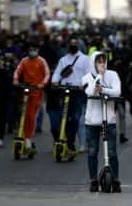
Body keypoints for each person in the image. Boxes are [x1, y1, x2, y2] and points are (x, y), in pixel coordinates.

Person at [82, 52, 122, 192]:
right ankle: (93, 179)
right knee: (92, 151)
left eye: (103, 61)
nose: (102, 64)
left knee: (112, 152)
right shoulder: (86, 77)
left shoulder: (113, 75)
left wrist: (104, 89)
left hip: (108, 118)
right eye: (98, 61)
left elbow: (117, 91)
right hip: (92, 121)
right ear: (93, 63)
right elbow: (90, 92)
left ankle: (116, 179)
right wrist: (99, 77)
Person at [51, 36, 92, 154]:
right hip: (64, 91)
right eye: (71, 43)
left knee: (75, 118)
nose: (73, 45)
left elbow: (89, 75)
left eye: (75, 43)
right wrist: (54, 81)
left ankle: (70, 141)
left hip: (78, 92)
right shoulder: (63, 59)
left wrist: (83, 85)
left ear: (78, 46)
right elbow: (58, 73)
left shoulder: (85, 59)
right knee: (64, 117)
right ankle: (65, 140)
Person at [12, 43, 50, 151]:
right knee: (23, 114)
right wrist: (15, 80)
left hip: (37, 92)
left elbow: (47, 74)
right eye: (30, 49)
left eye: (34, 49)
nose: (32, 51)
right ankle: (23, 135)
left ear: (37, 50)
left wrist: (42, 83)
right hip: (26, 91)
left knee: (31, 116)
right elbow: (17, 71)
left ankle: (28, 138)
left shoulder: (42, 61)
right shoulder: (24, 61)